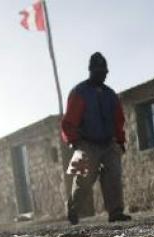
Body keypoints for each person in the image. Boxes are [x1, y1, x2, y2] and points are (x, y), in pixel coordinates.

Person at [61, 52, 131, 225]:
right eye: (98, 71)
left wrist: (120, 141)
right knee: (82, 180)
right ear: (91, 71)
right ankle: (73, 209)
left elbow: (118, 120)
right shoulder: (79, 92)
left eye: (104, 72)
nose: (102, 75)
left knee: (114, 176)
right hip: (85, 142)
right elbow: (69, 121)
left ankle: (115, 212)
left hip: (109, 142)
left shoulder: (111, 95)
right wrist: (73, 141)